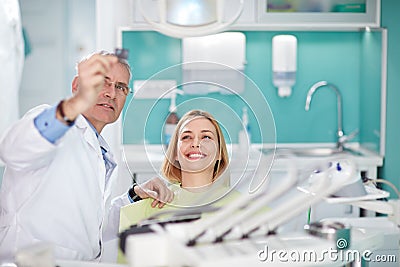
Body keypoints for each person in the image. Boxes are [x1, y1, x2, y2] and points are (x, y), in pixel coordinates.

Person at [0, 51, 174, 261]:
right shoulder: (52, 124)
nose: (111, 93)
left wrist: (135, 195)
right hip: (30, 260)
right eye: (102, 82)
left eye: (120, 87)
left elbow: (92, 226)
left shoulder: (100, 150)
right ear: (77, 86)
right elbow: (13, 151)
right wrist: (74, 104)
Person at [119, 109, 238, 232]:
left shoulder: (241, 206)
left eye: (206, 137)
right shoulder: (152, 204)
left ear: (219, 153)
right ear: (175, 152)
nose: (195, 143)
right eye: (186, 137)